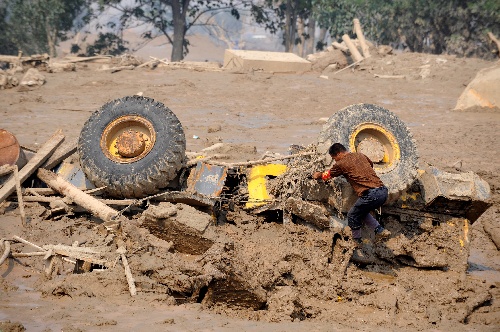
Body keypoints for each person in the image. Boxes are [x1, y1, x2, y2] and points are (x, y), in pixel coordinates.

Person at [313, 143, 391, 243]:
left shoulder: (341, 164)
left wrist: (317, 175)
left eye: (334, 158)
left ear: (339, 153)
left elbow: (326, 175)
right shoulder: (360, 155)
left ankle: (356, 241)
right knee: (361, 212)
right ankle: (380, 230)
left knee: (352, 215)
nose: (335, 160)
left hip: (371, 194)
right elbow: (370, 164)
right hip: (383, 191)